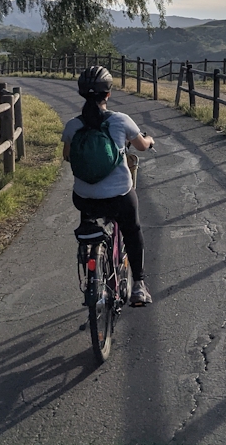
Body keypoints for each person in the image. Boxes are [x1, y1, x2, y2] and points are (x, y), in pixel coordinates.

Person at [62, 65, 155, 307]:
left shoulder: (73, 126)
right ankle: (139, 286)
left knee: (89, 218)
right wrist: (149, 139)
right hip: (119, 197)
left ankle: (89, 252)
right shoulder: (121, 120)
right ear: (108, 94)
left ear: (82, 94)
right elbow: (143, 145)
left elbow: (67, 156)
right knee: (132, 230)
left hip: (84, 197)